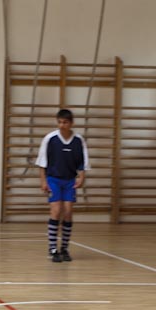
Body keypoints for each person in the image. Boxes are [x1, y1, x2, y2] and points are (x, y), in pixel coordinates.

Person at [36, 109, 90, 263]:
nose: (61, 125)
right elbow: (42, 162)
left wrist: (82, 177)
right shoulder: (50, 139)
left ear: (71, 123)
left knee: (68, 212)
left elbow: (83, 162)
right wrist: (43, 181)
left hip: (69, 180)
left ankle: (64, 248)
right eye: (59, 122)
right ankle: (53, 248)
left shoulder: (78, 140)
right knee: (56, 210)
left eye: (65, 122)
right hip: (53, 179)